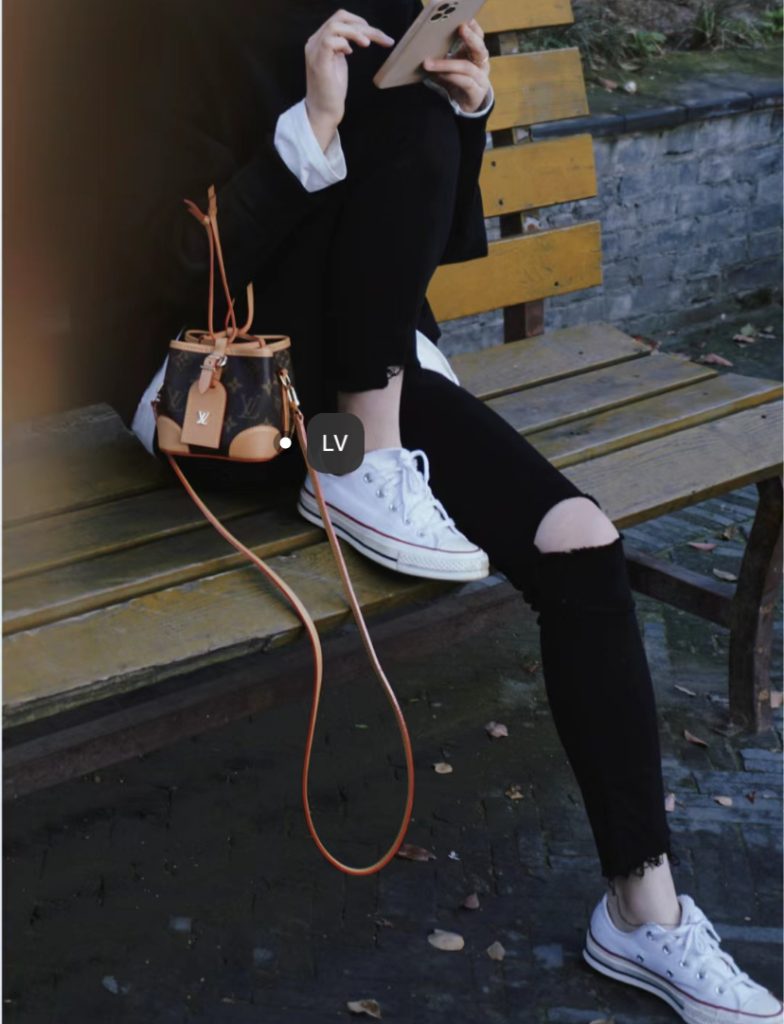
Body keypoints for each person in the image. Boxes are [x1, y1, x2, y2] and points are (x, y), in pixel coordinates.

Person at [124, 3, 783, 1020]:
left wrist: (467, 115)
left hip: (366, 394)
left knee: (583, 543)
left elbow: (422, 250)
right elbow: (159, 271)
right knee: (401, 128)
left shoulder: (377, 13)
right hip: (232, 402)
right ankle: (364, 460)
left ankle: (642, 913)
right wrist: (312, 129)